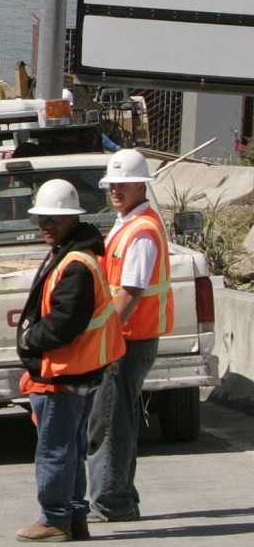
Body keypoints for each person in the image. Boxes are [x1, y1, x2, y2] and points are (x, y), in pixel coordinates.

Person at [14, 178, 124, 543]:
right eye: (42, 219)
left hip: (64, 372)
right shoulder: (75, 254)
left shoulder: (75, 263)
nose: (45, 226)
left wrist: (31, 340)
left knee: (55, 450)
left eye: (54, 220)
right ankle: (74, 517)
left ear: (72, 220)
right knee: (71, 448)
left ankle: (55, 519)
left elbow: (66, 322)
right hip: (77, 371)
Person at [87, 149, 173, 523]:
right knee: (116, 418)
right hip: (127, 337)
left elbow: (131, 291)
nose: (116, 190)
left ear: (142, 185)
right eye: (113, 184)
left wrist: (102, 339)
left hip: (127, 338)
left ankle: (111, 501)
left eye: (123, 184)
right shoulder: (129, 223)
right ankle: (119, 497)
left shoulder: (140, 231)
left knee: (110, 421)